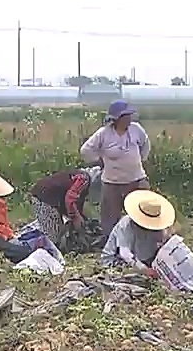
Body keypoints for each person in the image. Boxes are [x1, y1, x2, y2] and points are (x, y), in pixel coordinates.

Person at [79, 99, 151, 237]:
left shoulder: (136, 129)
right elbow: (85, 150)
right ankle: (111, 244)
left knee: (143, 212)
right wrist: (100, 159)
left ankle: (142, 240)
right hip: (112, 183)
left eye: (130, 115)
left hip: (136, 179)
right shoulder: (104, 134)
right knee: (110, 218)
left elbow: (145, 144)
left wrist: (142, 159)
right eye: (126, 116)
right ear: (117, 118)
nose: (129, 118)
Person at [101, 189, 175, 273]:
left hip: (144, 258)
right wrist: (144, 270)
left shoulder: (158, 227)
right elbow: (124, 254)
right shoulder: (126, 225)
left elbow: (164, 241)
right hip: (116, 261)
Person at [29, 167, 101, 246]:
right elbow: (69, 199)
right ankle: (31, 249)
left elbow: (74, 201)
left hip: (46, 197)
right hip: (43, 199)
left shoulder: (77, 175)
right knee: (53, 239)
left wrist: (79, 217)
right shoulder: (83, 179)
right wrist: (75, 217)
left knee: (59, 234)